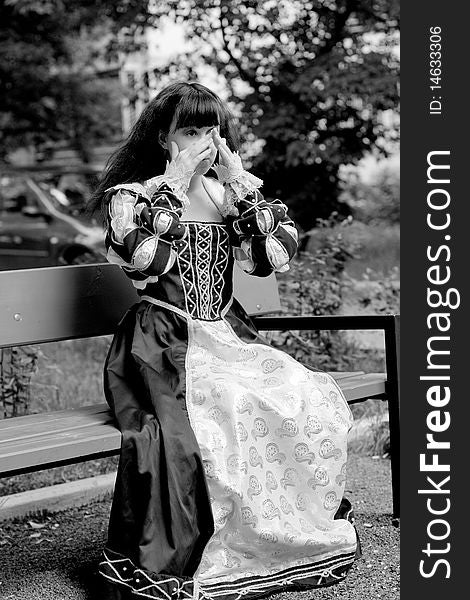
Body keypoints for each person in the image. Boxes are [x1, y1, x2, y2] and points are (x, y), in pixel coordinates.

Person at [89, 81, 359, 600]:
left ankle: (268, 534)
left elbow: (271, 257)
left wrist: (239, 183)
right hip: (160, 341)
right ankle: (201, 549)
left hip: (227, 332)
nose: (204, 140)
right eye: (190, 130)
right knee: (220, 408)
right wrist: (172, 181)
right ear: (163, 136)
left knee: (298, 396)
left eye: (211, 129)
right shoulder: (134, 197)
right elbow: (146, 263)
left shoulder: (222, 192)